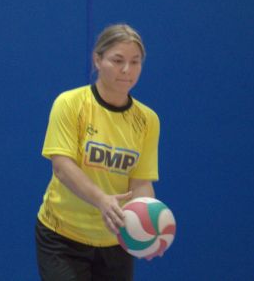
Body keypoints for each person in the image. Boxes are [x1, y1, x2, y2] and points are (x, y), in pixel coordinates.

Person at [35, 24, 160, 281]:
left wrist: (146, 226)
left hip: (114, 239)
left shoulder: (148, 120)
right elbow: (62, 166)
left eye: (135, 62)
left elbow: (140, 183)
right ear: (97, 59)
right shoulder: (70, 104)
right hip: (62, 236)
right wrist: (102, 200)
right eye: (117, 60)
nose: (126, 70)